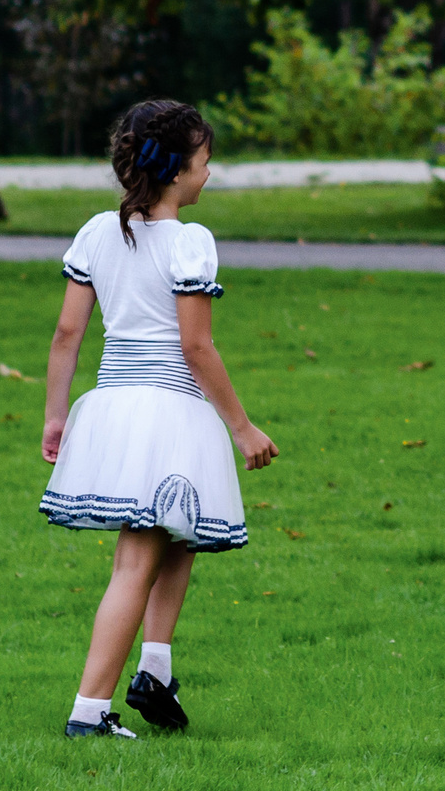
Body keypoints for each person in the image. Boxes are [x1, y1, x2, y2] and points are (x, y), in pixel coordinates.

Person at [39, 100, 279, 740]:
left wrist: (56, 417)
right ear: (177, 172)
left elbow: (67, 334)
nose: (209, 175)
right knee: (135, 561)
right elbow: (196, 347)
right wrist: (242, 428)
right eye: (205, 163)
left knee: (180, 529)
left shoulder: (97, 231)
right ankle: (90, 712)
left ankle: (156, 669)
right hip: (166, 411)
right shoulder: (190, 242)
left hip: (111, 408)